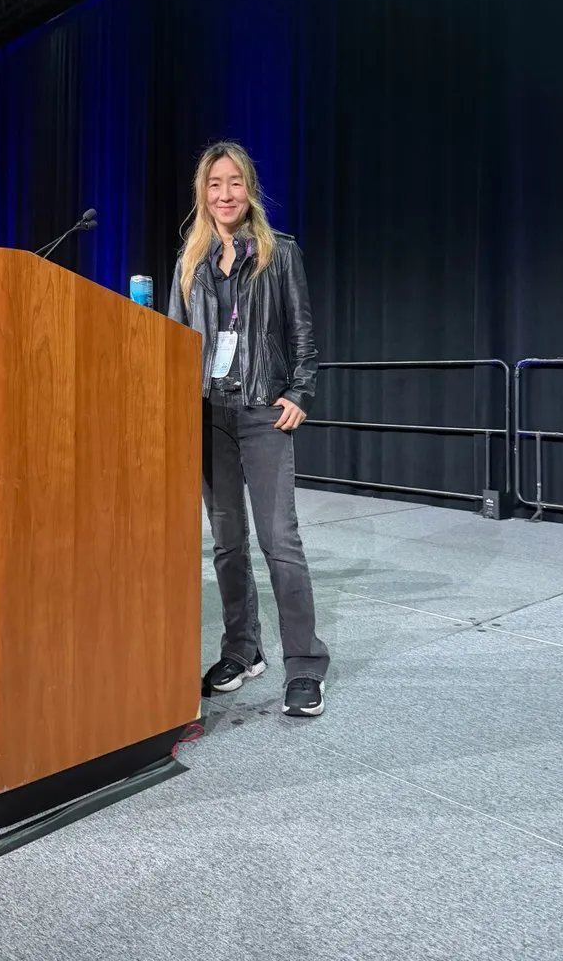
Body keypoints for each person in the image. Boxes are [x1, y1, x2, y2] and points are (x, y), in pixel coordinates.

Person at [168, 141, 330, 717]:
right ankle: (242, 649)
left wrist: (300, 392)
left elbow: (303, 333)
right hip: (208, 415)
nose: (225, 194)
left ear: (249, 189)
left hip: (263, 411)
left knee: (279, 541)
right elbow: (174, 344)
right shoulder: (190, 263)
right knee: (227, 542)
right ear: (202, 194)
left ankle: (305, 665)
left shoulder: (279, 253)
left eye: (234, 182)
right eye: (215, 184)